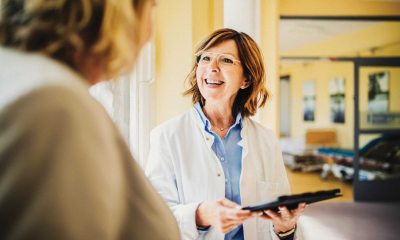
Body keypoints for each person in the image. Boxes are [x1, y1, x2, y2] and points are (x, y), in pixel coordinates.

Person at [0, 0, 180, 239]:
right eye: (151, 8)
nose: (148, 34)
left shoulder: (23, 78)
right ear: (119, 14)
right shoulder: (54, 105)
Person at [145, 28, 306, 240]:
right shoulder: (167, 137)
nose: (211, 68)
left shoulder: (266, 141)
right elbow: (154, 219)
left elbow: (280, 221)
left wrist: (284, 228)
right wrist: (200, 214)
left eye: (226, 61)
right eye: (205, 58)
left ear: (246, 79)